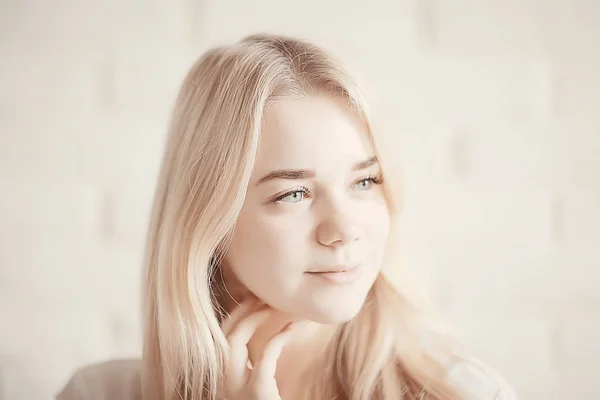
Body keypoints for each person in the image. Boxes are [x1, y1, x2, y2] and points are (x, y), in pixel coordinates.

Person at [57, 33, 518, 400]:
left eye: (364, 182)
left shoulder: (468, 393)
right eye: (294, 193)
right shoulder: (96, 394)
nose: (343, 231)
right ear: (209, 222)